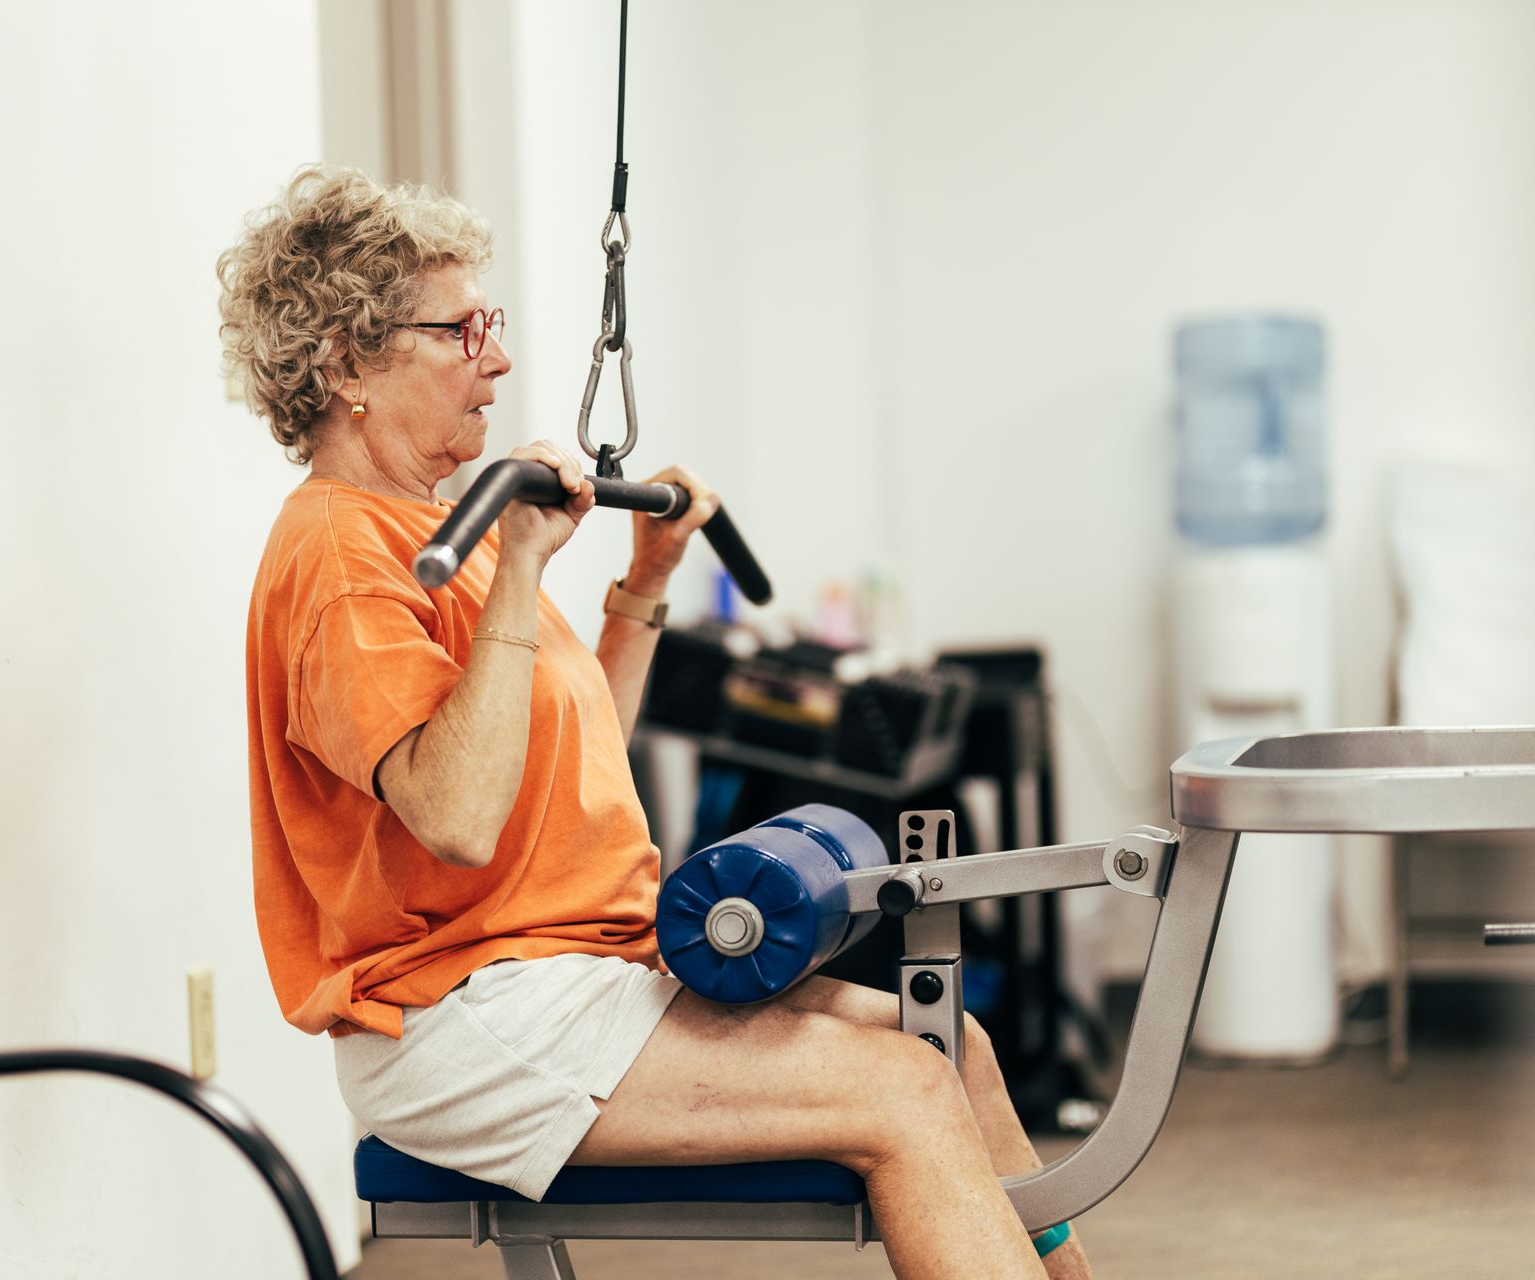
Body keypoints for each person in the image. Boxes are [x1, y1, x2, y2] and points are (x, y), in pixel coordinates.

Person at [221, 166, 1093, 1280]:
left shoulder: (451, 529)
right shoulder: (341, 554)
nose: (497, 357)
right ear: (347, 362)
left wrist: (645, 579)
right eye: (461, 328)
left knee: (950, 1044)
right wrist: (520, 568)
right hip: (461, 1018)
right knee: (903, 1085)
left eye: (490, 324)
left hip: (576, 968)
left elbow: (574, 754)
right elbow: (455, 815)